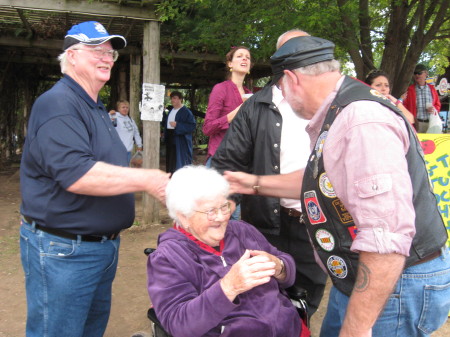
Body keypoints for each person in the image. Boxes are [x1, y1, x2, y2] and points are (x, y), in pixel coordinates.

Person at [224, 35, 449, 337]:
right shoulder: (340, 108)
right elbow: (325, 180)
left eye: (282, 91)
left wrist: (355, 329)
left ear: (291, 79)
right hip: (360, 277)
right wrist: (254, 183)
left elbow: (386, 238)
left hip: (395, 281)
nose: (286, 102)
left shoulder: (360, 120)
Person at [19, 21, 170, 337]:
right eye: (96, 50)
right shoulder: (58, 103)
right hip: (64, 251)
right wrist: (148, 180)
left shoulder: (95, 107)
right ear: (71, 56)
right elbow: (78, 174)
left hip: (97, 249)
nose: (107, 58)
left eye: (111, 52)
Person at [212, 29, 327, 316]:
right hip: (265, 227)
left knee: (304, 306)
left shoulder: (332, 104)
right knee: (260, 305)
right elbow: (226, 164)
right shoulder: (255, 106)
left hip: (316, 226)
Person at [147, 165, 307, 337]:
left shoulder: (242, 231)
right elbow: (179, 324)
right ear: (184, 216)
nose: (222, 217)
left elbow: (288, 273)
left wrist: (280, 267)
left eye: (224, 207)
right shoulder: (168, 258)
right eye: (210, 211)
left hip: (290, 329)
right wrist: (229, 287)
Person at [202, 46, 252, 220]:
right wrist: (234, 113)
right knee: (216, 218)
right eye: (239, 56)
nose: (244, 59)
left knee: (236, 219)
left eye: (247, 57)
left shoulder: (249, 94)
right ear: (230, 63)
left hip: (240, 163)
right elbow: (207, 128)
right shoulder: (221, 89)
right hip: (220, 161)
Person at [162, 91, 196, 174]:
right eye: (171, 98)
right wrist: (162, 112)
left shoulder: (186, 112)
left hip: (181, 140)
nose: (172, 100)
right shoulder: (171, 111)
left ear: (180, 99)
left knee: (180, 159)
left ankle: (180, 178)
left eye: (175, 98)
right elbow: (165, 123)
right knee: (170, 159)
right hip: (170, 138)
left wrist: (178, 125)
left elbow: (192, 126)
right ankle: (170, 176)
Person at [402, 64, 441, 133]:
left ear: (426, 73)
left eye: (419, 73)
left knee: (430, 143)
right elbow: (405, 106)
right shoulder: (410, 89)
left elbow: (437, 104)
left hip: (431, 123)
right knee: (417, 143)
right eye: (415, 73)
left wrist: (434, 109)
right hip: (416, 124)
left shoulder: (432, 89)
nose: (417, 75)